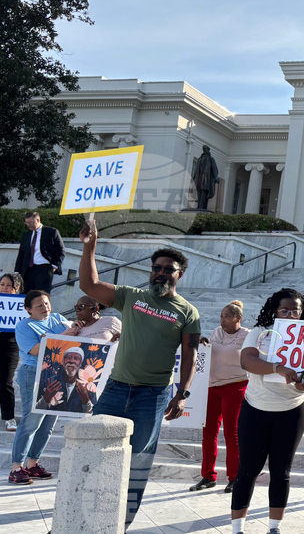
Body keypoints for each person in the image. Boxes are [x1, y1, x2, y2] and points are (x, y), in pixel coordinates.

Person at [78, 220, 200, 529]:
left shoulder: (187, 312)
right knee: (93, 450)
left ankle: (121, 524)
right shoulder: (131, 296)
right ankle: (78, 519)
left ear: (179, 275)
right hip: (116, 390)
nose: (160, 272)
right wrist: (89, 246)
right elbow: (89, 286)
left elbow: (190, 355)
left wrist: (182, 394)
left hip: (153, 396)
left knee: (138, 462)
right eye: (156, 267)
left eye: (168, 269)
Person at [231, 289, 304, 534]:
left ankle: (274, 528)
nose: (290, 314)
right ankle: (237, 529)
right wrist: (277, 368)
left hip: (292, 409)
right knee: (247, 470)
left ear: (302, 312)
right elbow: (247, 361)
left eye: (295, 311)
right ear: (274, 311)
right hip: (256, 407)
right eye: (284, 310)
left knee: (281, 471)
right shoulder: (259, 332)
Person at [8, 291, 69, 485]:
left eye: (47, 303)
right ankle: (16, 467)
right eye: (39, 305)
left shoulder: (58, 319)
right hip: (33, 373)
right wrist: (68, 333)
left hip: (56, 374)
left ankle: (33, 464)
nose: (46, 308)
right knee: (31, 421)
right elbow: (37, 350)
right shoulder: (24, 326)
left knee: (48, 424)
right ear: (28, 309)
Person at [192, 301, 250, 493]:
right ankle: (208, 476)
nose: (222, 320)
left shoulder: (247, 336)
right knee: (208, 432)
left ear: (238, 319)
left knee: (232, 433)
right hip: (213, 386)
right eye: (221, 316)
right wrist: (204, 345)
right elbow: (208, 353)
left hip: (236, 386)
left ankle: (235, 477)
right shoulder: (216, 332)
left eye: (226, 316)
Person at [15, 212, 65, 293]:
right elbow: (21, 253)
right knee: (25, 295)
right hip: (28, 270)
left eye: (30, 222)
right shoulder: (26, 235)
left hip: (44, 269)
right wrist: (17, 271)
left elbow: (61, 250)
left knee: (41, 295)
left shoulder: (52, 232)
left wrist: (54, 266)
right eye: (26, 223)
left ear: (38, 220)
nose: (28, 225)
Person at [36, 346, 93, 414]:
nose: (72, 361)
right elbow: (35, 410)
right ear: (62, 361)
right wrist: (46, 398)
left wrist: (86, 401)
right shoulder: (50, 382)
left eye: (76, 358)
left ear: (80, 364)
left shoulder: (87, 386)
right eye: (68, 357)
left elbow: (92, 415)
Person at [0, 273, 24, 431]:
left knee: (6, 381)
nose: (5, 288)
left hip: (11, 345)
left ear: (17, 288)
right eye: (2, 284)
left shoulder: (23, 305)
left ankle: (9, 418)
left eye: (9, 285)